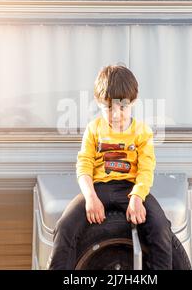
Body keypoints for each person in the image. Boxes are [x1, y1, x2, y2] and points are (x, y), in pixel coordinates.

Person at [48, 65, 172, 270]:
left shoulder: (142, 132)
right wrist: (90, 197)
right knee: (64, 227)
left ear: (133, 102)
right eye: (108, 107)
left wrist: (137, 197)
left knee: (161, 228)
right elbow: (84, 164)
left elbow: (146, 168)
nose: (115, 115)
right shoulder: (94, 129)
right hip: (99, 189)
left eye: (122, 107)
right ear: (98, 103)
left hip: (131, 188)